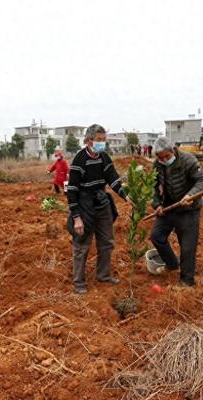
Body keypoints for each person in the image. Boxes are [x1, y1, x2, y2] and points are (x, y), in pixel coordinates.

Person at [66, 124, 131, 294]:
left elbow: (112, 178)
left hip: (102, 203)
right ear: (88, 141)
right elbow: (71, 191)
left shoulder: (104, 157)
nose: (102, 143)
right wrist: (77, 218)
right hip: (84, 204)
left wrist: (125, 195)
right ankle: (79, 282)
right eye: (99, 140)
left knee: (107, 242)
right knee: (81, 244)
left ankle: (103, 275)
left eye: (104, 140)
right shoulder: (79, 161)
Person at [150, 137, 203, 287]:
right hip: (169, 206)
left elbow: (202, 181)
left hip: (189, 209)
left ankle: (186, 281)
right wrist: (157, 204)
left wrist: (190, 196)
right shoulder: (157, 165)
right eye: (160, 157)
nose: (163, 159)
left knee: (187, 246)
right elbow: (153, 186)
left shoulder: (188, 160)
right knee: (157, 236)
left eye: (166, 156)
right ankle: (172, 263)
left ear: (173, 150)